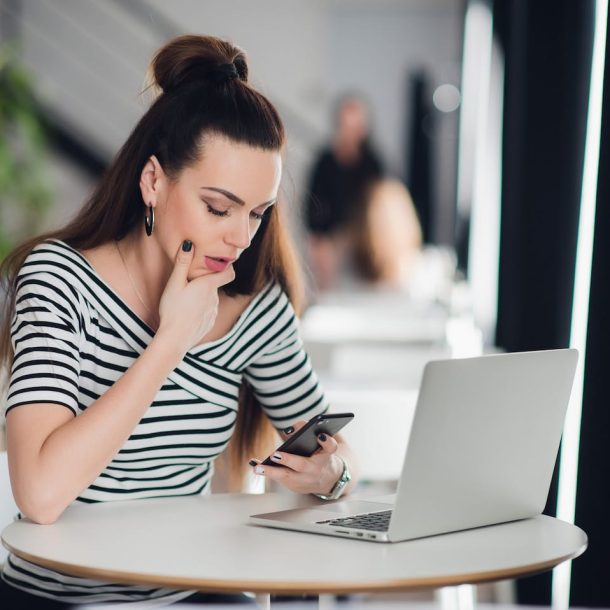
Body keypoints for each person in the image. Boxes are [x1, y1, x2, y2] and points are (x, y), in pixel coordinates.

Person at [0, 34, 358, 607]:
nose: (240, 238)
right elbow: (40, 495)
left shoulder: (255, 310)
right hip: (59, 600)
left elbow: (330, 451)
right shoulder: (59, 279)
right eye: (218, 208)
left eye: (257, 214)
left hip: (187, 595)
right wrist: (170, 341)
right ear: (153, 182)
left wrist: (332, 475)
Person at [305, 94, 384, 291]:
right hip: (330, 239)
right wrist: (318, 238)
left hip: (365, 238)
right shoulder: (325, 160)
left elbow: (380, 208)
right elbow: (312, 203)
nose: (350, 133)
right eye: (346, 126)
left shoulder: (373, 164)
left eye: (355, 127)